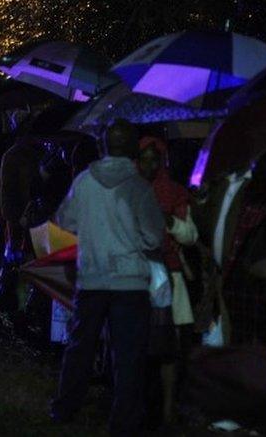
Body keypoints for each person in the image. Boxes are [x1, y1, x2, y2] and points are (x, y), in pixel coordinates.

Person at [50, 120, 166, 434]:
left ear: (103, 146)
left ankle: (65, 407)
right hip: (129, 283)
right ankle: (124, 421)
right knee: (128, 355)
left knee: (80, 347)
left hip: (91, 278)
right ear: (132, 149)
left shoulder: (85, 181)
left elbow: (65, 221)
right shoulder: (139, 187)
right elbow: (155, 237)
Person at [138, 136, 198, 427]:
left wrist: (170, 221)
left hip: (170, 278)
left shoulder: (173, 192)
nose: (150, 164)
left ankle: (168, 408)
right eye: (145, 158)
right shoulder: (129, 191)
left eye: (155, 158)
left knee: (169, 350)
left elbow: (190, 235)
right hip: (137, 279)